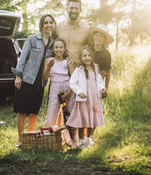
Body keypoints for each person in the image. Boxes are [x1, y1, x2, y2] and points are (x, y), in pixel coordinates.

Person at [12, 14, 56, 147]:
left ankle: (29, 137)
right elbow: (23, 57)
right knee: (22, 110)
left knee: (34, 111)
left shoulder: (53, 44)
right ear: (41, 25)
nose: (48, 25)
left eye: (51, 22)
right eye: (46, 22)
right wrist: (18, 75)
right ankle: (20, 138)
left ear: (54, 25)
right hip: (27, 78)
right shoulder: (32, 39)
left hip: (41, 81)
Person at [66, 45, 107, 149]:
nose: (87, 58)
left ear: (92, 57)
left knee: (91, 120)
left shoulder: (95, 68)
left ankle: (88, 140)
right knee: (82, 120)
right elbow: (72, 82)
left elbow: (99, 81)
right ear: (81, 58)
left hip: (93, 99)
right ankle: (81, 142)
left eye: (89, 55)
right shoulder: (79, 70)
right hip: (83, 100)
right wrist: (79, 92)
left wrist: (102, 88)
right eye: (84, 56)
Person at [43, 38, 75, 128]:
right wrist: (49, 67)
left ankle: (71, 136)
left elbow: (73, 77)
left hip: (67, 86)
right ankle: (50, 134)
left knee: (70, 111)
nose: (59, 49)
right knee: (52, 111)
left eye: (61, 47)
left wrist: (69, 91)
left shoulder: (67, 61)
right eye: (56, 47)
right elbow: (45, 77)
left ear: (64, 49)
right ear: (53, 49)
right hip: (55, 87)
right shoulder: (49, 60)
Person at [53, 0, 91, 67]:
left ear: (80, 10)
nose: (74, 10)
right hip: (60, 69)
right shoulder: (58, 27)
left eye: (76, 8)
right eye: (71, 8)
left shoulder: (87, 29)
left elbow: (91, 51)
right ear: (67, 9)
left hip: (78, 68)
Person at [89, 25, 113, 90]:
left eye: (101, 36)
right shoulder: (88, 50)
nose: (98, 37)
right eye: (96, 35)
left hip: (99, 84)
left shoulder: (106, 53)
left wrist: (106, 88)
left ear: (104, 39)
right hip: (87, 82)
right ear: (93, 36)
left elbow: (108, 72)